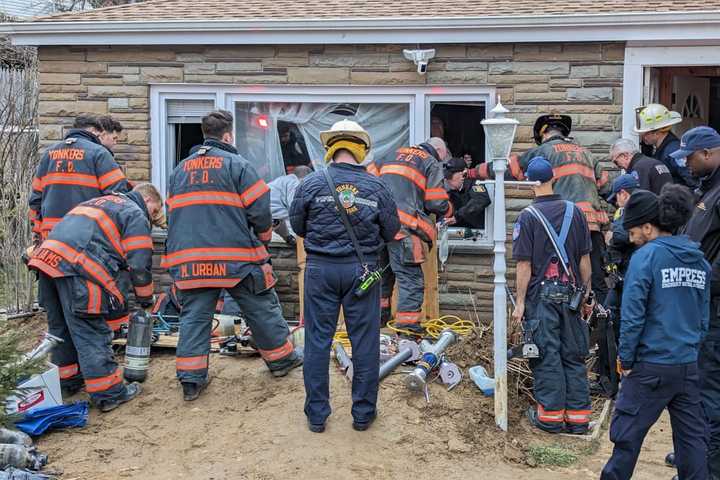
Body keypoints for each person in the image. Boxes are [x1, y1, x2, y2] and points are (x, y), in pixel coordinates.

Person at [164, 110, 302, 402]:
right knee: (260, 307)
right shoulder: (238, 165)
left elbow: (173, 214)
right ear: (228, 136)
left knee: (195, 317)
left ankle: (191, 380)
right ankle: (281, 361)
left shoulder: (179, 171)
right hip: (236, 259)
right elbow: (260, 210)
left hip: (189, 262)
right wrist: (264, 240)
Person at [289, 119, 400, 433]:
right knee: (364, 343)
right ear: (361, 149)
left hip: (320, 270)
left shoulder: (310, 183)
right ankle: (363, 415)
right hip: (361, 270)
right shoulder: (377, 186)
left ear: (330, 148)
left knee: (317, 341)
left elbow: (298, 226)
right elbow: (392, 231)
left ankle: (316, 416)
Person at [601, 186, 710, 480]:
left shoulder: (646, 257)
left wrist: (626, 360)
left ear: (648, 227)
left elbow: (633, 314)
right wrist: (690, 350)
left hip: (651, 364)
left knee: (626, 435)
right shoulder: (699, 261)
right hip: (687, 365)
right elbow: (703, 316)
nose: (632, 238)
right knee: (692, 441)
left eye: (634, 232)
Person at [27, 183, 163, 411]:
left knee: (62, 330)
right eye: (156, 211)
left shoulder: (99, 202)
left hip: (47, 263)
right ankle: (108, 394)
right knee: (90, 329)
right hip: (78, 268)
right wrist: (146, 299)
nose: (154, 218)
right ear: (148, 200)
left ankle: (67, 381)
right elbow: (140, 265)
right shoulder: (134, 212)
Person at [472, 114, 610, 302]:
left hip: (563, 226)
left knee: (557, 277)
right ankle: (597, 327)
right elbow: (606, 187)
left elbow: (505, 168)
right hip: (591, 226)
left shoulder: (543, 152)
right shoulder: (586, 154)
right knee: (594, 279)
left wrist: (471, 171)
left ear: (543, 134)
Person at [511, 156, 593, 434]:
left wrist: (520, 302)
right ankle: (579, 418)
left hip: (542, 299)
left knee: (547, 356)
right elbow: (584, 260)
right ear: (553, 178)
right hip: (571, 296)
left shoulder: (528, 217)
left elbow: (524, 265)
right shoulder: (576, 212)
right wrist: (586, 295)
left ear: (530, 184)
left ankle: (550, 418)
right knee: (573, 355)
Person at [672, 126, 720, 478]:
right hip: (702, 305)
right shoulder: (708, 189)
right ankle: (697, 461)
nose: (685, 164)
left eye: (689, 157)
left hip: (714, 307)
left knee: (710, 391)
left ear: (708, 153)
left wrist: (703, 282)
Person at [368, 137, 451, 330]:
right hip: (404, 229)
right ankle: (407, 330)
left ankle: (378, 323)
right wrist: (448, 209)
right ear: (440, 151)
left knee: (382, 276)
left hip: (378, 227)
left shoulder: (391, 153)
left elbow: (369, 184)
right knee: (410, 279)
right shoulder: (430, 162)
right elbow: (435, 202)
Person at [29, 114, 129, 242]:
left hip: (52, 234)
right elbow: (119, 198)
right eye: (99, 135)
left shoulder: (49, 154)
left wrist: (37, 232)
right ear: (94, 131)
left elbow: (36, 199)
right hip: (86, 234)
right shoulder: (100, 154)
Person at [594, 174, 641, 398]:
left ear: (623, 193)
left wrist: (612, 235)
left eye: (616, 198)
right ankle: (611, 379)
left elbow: (625, 236)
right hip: (620, 279)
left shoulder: (634, 209)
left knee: (617, 327)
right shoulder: (632, 208)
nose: (616, 203)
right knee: (609, 321)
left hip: (627, 280)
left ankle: (618, 381)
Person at [634, 103, 696, 188]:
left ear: (656, 133)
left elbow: (692, 180)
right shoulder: (660, 148)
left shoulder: (673, 150)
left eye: (645, 133)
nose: (642, 137)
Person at [268, 165, 312, 244]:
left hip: (268, 224)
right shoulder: (295, 183)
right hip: (277, 227)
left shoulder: (281, 181)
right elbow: (296, 209)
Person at [443, 157, 491, 229]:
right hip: (460, 232)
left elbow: (482, 199)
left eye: (450, 177)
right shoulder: (452, 191)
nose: (447, 180)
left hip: (480, 233)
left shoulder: (475, 183)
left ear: (462, 175)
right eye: (446, 177)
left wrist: (458, 216)